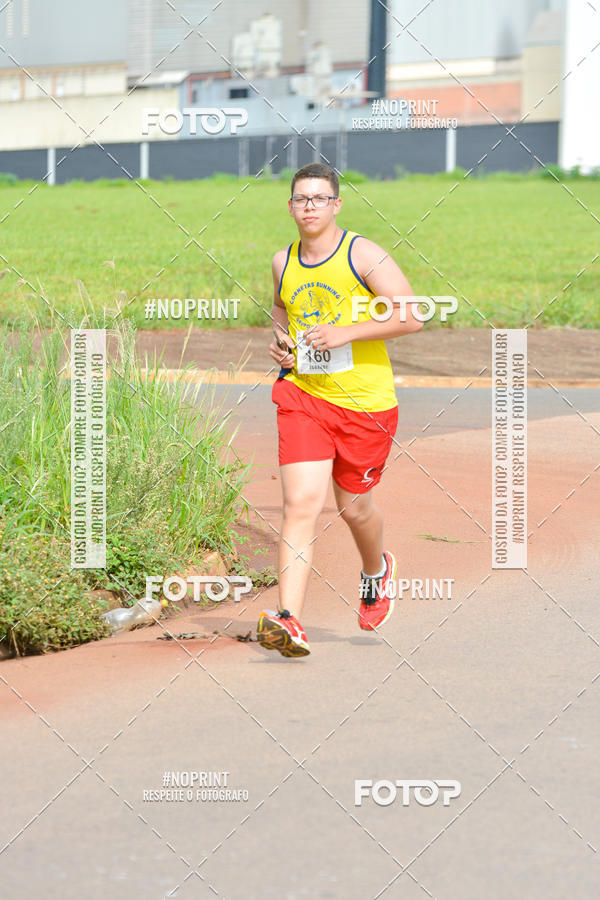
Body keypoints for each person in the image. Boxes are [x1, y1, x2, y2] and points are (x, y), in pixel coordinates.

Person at [256, 163, 422, 658]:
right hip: (304, 397)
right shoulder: (283, 261)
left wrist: (345, 333)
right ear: (290, 207)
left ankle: (376, 571)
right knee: (301, 504)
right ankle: (288, 619)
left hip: (365, 406)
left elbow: (411, 315)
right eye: (301, 199)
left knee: (354, 508)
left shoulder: (362, 254)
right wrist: (283, 344)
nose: (309, 206)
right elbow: (282, 308)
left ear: (335, 205)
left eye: (319, 198)